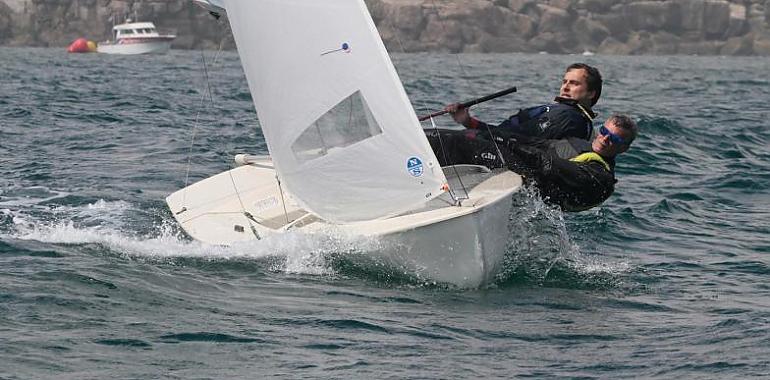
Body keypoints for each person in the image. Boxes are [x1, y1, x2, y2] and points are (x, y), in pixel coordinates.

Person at [426, 114, 638, 211]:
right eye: (604, 132)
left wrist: (510, 146)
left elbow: (549, 165)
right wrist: (472, 123)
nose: (605, 139)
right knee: (459, 136)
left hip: (537, 185)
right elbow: (529, 141)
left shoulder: (601, 175)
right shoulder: (573, 145)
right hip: (527, 174)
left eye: (615, 139)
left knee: (466, 145)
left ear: (624, 148)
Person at [446, 63, 603, 141]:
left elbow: (520, 140)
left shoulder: (570, 118)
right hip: (498, 147)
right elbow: (509, 134)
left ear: (591, 93)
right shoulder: (557, 111)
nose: (565, 87)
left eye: (574, 83)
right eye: (564, 81)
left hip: (512, 160)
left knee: (442, 137)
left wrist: (473, 128)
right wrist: (468, 121)